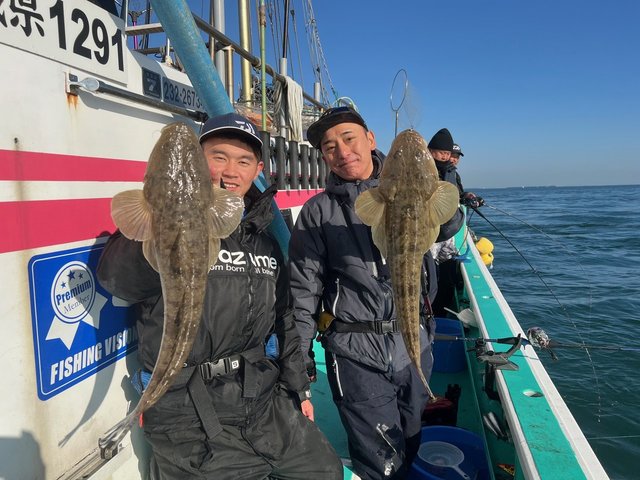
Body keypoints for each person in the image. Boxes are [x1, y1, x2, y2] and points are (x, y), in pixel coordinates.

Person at [97, 113, 343, 480]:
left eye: (243, 161)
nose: (230, 172)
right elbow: (118, 281)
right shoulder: (151, 229)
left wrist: (299, 389)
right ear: (198, 163)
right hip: (188, 411)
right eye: (218, 157)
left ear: (257, 170)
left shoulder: (265, 241)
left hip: (262, 400)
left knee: (326, 471)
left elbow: (284, 318)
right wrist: (164, 220)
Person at [289, 106, 439, 480]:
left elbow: (448, 222)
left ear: (370, 139)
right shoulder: (317, 212)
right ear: (323, 156)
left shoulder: (421, 194)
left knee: (411, 435)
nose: (342, 152)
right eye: (330, 147)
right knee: (382, 460)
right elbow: (303, 289)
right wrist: (299, 355)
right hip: (355, 353)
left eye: (349, 138)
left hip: (412, 345)